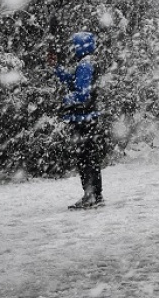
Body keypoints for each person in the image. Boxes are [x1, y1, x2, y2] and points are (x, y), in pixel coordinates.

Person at [53, 32, 105, 210]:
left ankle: (91, 195)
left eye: (75, 45)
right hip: (89, 117)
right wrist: (60, 72)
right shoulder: (89, 62)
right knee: (90, 157)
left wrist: (64, 100)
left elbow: (82, 94)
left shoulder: (85, 64)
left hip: (83, 119)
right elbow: (76, 83)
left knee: (85, 158)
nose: (73, 49)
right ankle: (94, 195)